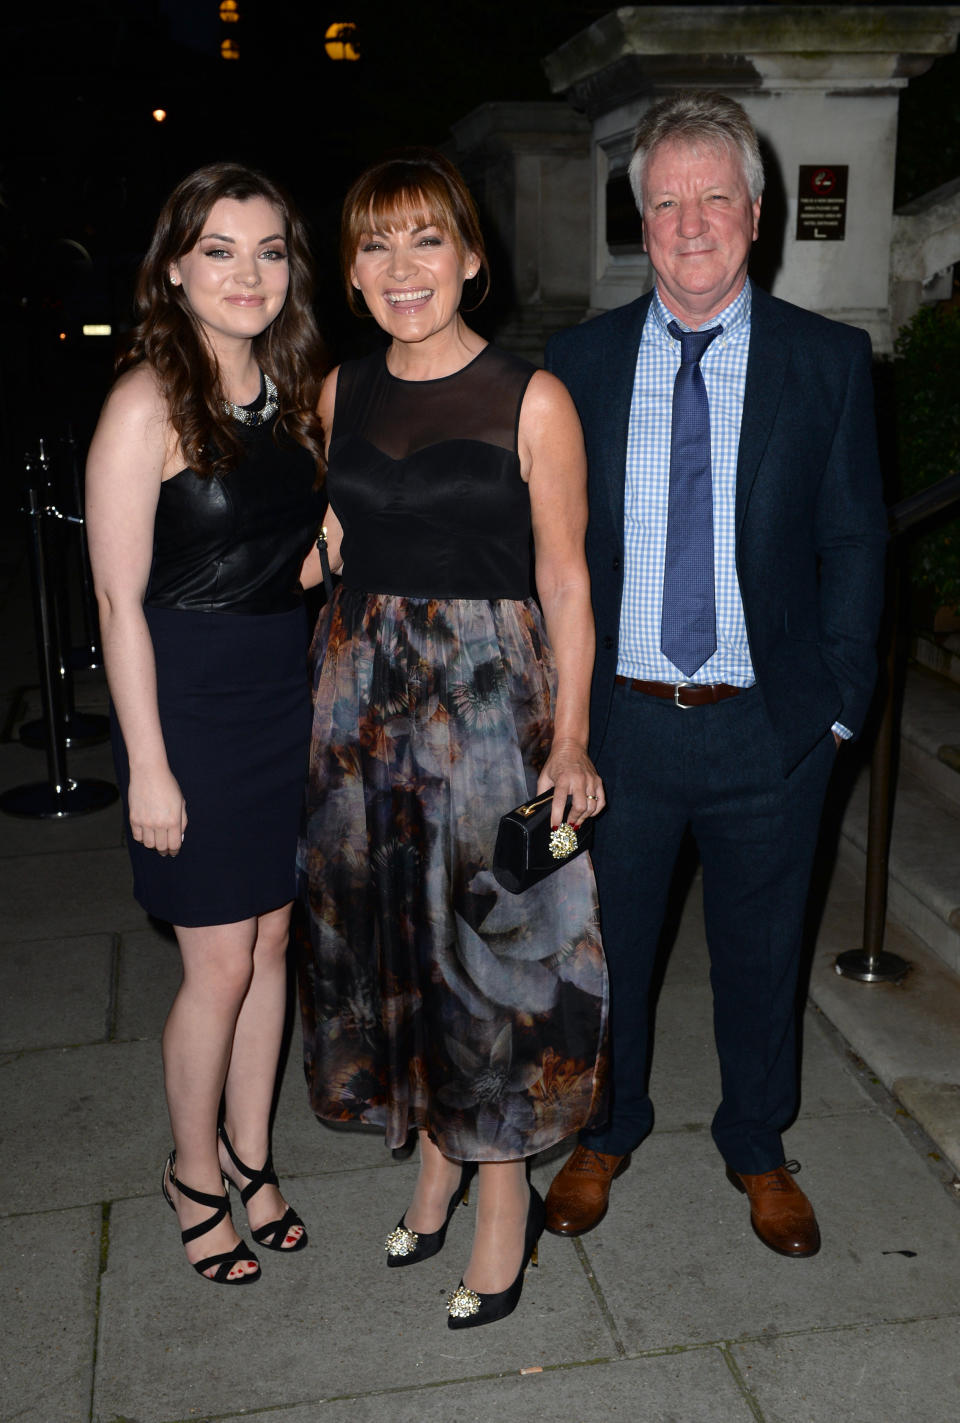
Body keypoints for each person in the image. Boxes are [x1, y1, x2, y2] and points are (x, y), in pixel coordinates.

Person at [543, 92, 887, 1256]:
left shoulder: (829, 363)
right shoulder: (576, 366)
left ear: (758, 213)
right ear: (642, 222)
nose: (691, 224)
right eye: (666, 202)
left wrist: (835, 711)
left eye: (714, 198)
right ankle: (607, 1123)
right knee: (612, 949)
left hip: (767, 727)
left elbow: (854, 541)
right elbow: (536, 544)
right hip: (623, 729)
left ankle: (757, 1141)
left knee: (762, 949)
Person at [297, 148, 608, 1328]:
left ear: (473, 260)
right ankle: (433, 1147)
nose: (400, 266)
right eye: (376, 243)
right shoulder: (342, 389)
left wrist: (570, 739)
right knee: (396, 943)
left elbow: (568, 582)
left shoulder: (533, 400)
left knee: (498, 960)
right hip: (361, 710)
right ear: (355, 273)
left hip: (488, 714)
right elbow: (332, 537)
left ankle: (496, 1194)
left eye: (426, 238)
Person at [86, 162, 328, 1285]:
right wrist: (147, 766)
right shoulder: (145, 401)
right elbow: (117, 601)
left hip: (289, 690)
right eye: (221, 250)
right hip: (191, 705)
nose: (248, 273)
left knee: (274, 940)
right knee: (218, 964)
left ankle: (252, 1150)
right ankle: (192, 1173)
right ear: (176, 267)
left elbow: (301, 552)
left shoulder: (294, 386)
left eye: (269, 249)